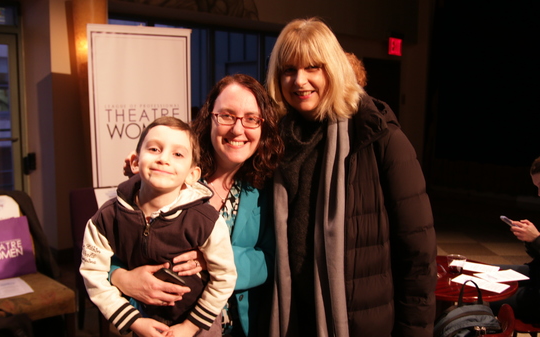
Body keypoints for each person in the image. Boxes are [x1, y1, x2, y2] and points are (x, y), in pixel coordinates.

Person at [265, 17, 437, 336]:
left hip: (362, 325)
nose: (299, 80)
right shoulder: (273, 143)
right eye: (289, 70)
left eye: (312, 67)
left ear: (333, 68)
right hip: (292, 320)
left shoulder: (379, 138)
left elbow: (418, 254)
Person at [113, 74, 284, 337]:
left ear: (263, 127)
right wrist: (122, 279)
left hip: (239, 328)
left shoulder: (266, 188)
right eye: (226, 115)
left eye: (251, 119)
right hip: (164, 327)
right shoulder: (173, 175)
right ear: (209, 119)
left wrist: (214, 260)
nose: (238, 130)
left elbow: (272, 258)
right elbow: (109, 250)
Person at [80, 116, 238, 337]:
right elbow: (92, 272)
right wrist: (133, 321)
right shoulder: (106, 218)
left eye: (178, 154)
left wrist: (189, 327)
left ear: (192, 175)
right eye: (154, 149)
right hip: (142, 319)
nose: (164, 159)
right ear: (135, 162)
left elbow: (224, 277)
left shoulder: (206, 220)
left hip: (198, 324)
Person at [490, 155, 540, 324]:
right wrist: (529, 239)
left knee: (485, 297)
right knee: (488, 274)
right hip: (536, 272)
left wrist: (537, 239)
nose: (539, 194)